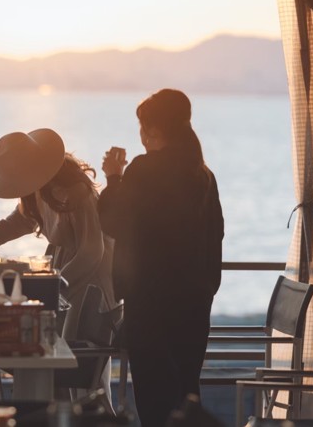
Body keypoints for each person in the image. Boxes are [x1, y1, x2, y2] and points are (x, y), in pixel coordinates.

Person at [98, 88, 223, 427]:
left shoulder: (144, 169)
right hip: (195, 303)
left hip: (150, 302)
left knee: (155, 397)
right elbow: (216, 237)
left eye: (143, 125)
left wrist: (112, 177)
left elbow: (113, 222)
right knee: (185, 395)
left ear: (153, 129)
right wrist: (207, 288)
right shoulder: (203, 175)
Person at [0, 128, 115, 339]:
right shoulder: (37, 190)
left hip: (90, 276)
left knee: (76, 346)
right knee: (52, 339)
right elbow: (20, 219)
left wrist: (56, 285)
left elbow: (92, 251)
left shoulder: (77, 192)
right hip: (65, 268)